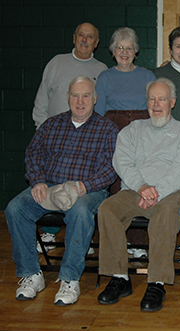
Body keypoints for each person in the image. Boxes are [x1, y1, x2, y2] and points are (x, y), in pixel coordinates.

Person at [5, 76, 118, 306]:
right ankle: (31, 274)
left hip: (87, 190)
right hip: (49, 186)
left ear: (94, 99)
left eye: (85, 95)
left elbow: (112, 167)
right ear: (67, 98)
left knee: (80, 211)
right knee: (15, 208)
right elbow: (33, 154)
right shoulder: (51, 124)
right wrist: (37, 181)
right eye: (75, 95)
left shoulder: (107, 129)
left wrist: (86, 186)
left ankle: (69, 278)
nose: (80, 101)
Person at [97, 78, 180, 312]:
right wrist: (142, 187)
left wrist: (157, 191)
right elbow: (121, 162)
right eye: (152, 99)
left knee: (165, 213)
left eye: (162, 99)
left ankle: (157, 282)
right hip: (136, 190)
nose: (156, 104)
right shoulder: (133, 130)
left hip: (172, 192)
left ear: (172, 102)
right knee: (107, 209)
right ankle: (119, 277)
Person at [32, 22, 107, 251]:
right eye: (81, 35)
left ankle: (82, 237)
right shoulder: (56, 62)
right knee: (50, 186)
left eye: (90, 37)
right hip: (54, 141)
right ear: (74, 38)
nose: (85, 40)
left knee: (81, 195)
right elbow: (41, 101)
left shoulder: (102, 69)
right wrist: (41, 134)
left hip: (85, 144)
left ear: (96, 42)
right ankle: (49, 233)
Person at [94, 27, 157, 258]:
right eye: (120, 48)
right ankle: (113, 242)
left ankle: (137, 242)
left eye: (129, 48)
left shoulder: (147, 76)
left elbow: (155, 110)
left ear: (135, 51)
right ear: (113, 51)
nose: (124, 52)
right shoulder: (105, 77)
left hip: (141, 133)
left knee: (138, 183)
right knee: (115, 186)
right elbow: (98, 114)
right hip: (113, 132)